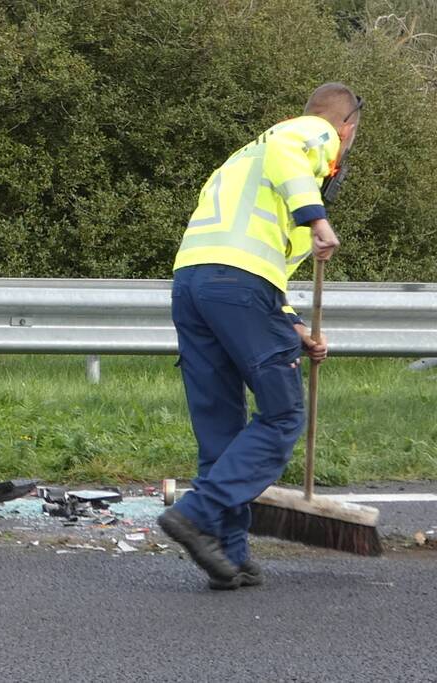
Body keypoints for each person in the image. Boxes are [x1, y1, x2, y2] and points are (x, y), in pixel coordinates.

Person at [158, 83, 362, 589]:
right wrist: (316, 218)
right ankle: (197, 514)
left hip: (195, 284)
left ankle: (230, 555)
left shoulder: (245, 165)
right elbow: (289, 149)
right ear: (347, 124)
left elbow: (265, 267)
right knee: (282, 414)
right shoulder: (306, 134)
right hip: (238, 287)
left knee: (221, 428)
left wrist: (293, 327)